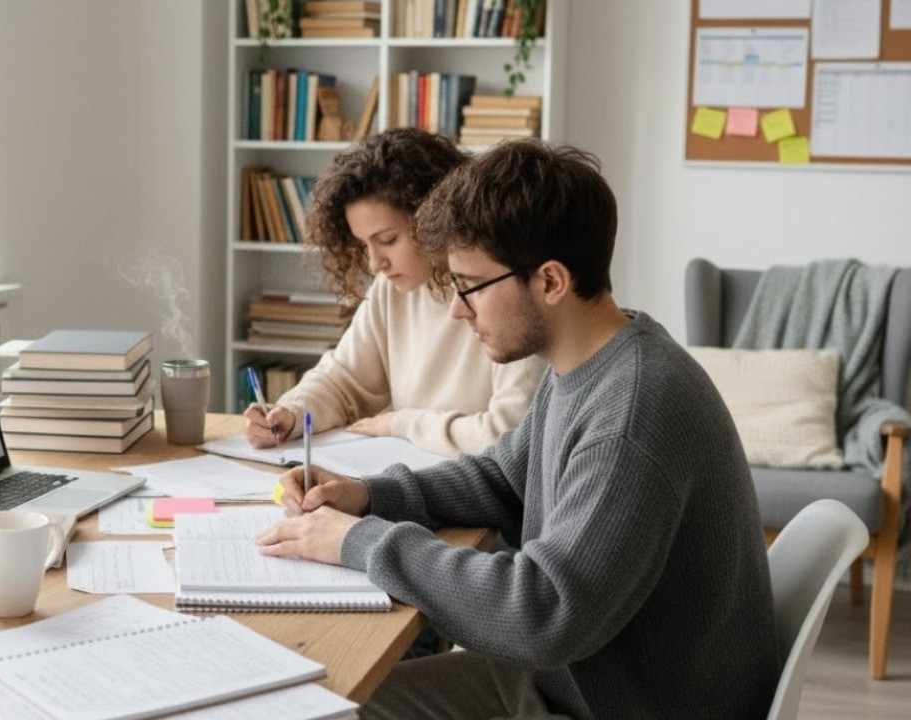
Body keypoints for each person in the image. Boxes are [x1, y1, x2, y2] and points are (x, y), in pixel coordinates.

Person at [256, 139, 780, 719]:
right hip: (580, 680)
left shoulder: (632, 414)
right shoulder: (590, 360)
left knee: (325, 710)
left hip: (617, 701)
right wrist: (372, 495)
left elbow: (543, 611)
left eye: (470, 285)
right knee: (330, 703)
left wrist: (360, 542)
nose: (456, 310)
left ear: (551, 282)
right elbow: (507, 478)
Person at [244, 128, 546, 457]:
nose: (375, 263)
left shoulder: (505, 290)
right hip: (413, 481)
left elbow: (509, 436)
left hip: (470, 490)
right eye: (364, 245)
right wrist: (292, 412)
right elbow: (343, 379)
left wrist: (402, 423)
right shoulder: (393, 290)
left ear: (433, 218)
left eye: (387, 240)